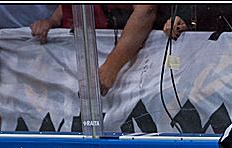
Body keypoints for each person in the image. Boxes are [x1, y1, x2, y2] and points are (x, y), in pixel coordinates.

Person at [30, 4, 158, 94]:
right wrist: (53, 22)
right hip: (79, 70)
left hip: (126, 69)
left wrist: (111, 67)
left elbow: (146, 10)